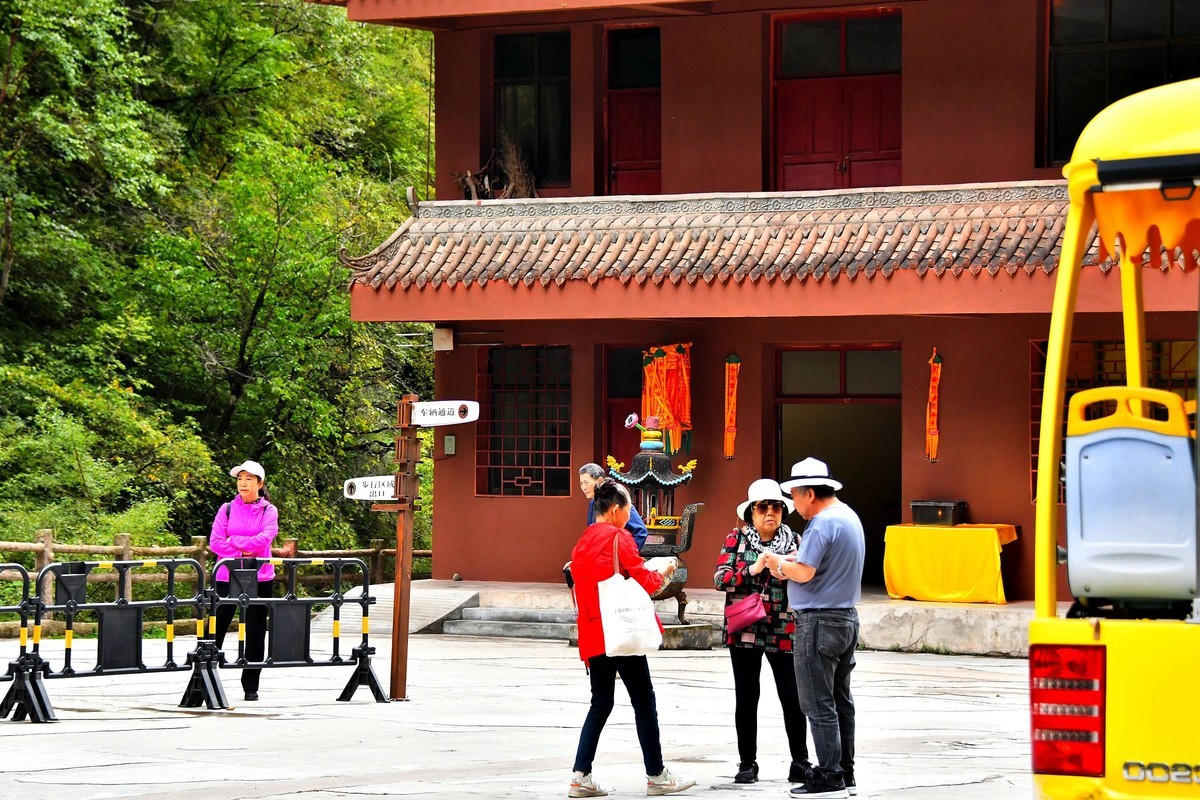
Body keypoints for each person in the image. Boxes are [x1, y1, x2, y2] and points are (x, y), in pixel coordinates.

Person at [565, 479, 695, 798]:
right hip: (619, 630)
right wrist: (665, 569)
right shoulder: (619, 537)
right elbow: (646, 581)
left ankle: (580, 776)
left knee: (601, 703)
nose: (630, 515)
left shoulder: (582, 542)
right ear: (614, 509)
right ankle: (657, 775)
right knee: (643, 700)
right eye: (628, 508)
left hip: (594, 633)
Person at [759, 458, 864, 799]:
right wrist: (794, 560)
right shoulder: (848, 516)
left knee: (817, 702)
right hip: (845, 618)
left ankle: (829, 774)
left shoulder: (821, 523)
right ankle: (844, 769)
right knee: (839, 700)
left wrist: (778, 563)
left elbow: (804, 573)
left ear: (809, 493)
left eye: (794, 496)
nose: (794, 505)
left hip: (818, 621)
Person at [713, 478, 812, 786]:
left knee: (793, 697)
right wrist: (753, 570)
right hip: (745, 629)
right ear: (751, 513)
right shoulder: (737, 538)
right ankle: (747, 763)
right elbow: (720, 579)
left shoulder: (795, 540)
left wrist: (781, 568)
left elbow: (806, 577)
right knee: (747, 696)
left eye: (776, 507)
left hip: (784, 627)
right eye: (763, 507)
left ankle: (800, 761)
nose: (770, 512)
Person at [209, 459, 279, 702]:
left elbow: (265, 538)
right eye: (240, 478)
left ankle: (251, 686)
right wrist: (241, 550)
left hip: (260, 576)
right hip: (227, 574)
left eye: (249, 479)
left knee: (256, 631)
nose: (243, 483)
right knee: (215, 627)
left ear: (260, 483)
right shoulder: (226, 509)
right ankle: (207, 674)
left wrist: (234, 541)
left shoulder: (269, 510)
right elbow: (215, 542)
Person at [579, 463, 649, 551]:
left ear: (599, 480)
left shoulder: (616, 500)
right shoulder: (593, 503)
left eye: (586, 482)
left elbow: (640, 531)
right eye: (581, 483)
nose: (584, 487)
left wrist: (625, 553)